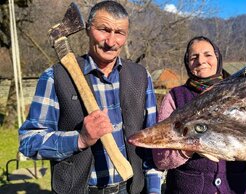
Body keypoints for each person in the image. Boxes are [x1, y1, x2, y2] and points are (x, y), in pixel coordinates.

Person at [18, 1, 161, 194]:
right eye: (103, 29)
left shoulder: (141, 77)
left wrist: (153, 190)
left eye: (119, 33)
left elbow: (152, 143)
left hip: (132, 189)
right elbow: (29, 142)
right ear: (87, 29)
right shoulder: (55, 77)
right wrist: (80, 139)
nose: (111, 42)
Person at [152, 36, 246, 194]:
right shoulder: (176, 97)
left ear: (217, 58)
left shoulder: (239, 92)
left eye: (208, 55)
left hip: (237, 185)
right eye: (194, 57)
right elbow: (161, 157)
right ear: (187, 63)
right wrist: (189, 146)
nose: (201, 61)